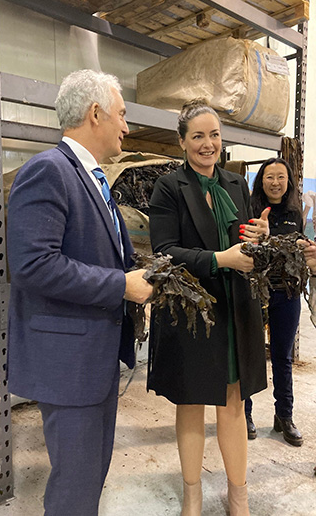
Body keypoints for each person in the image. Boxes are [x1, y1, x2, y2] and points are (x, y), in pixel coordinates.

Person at [6, 69, 153, 516]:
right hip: (69, 365)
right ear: (95, 114)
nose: (127, 127)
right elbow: (33, 265)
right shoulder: (48, 171)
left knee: (89, 476)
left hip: (93, 357)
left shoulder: (93, 178)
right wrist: (120, 285)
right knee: (75, 485)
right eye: (122, 114)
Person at [148, 99, 269, 516]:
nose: (208, 144)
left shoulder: (236, 185)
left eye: (214, 135)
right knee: (192, 401)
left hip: (235, 308)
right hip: (193, 312)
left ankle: (239, 496)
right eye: (198, 136)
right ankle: (192, 494)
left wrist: (259, 235)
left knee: (233, 402)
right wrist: (221, 259)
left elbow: (247, 243)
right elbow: (165, 252)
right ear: (182, 142)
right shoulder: (169, 187)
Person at [245, 158, 303, 447]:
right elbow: (246, 247)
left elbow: (297, 247)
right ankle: (245, 415)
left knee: (283, 357)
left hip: (287, 293)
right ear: (261, 181)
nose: (276, 182)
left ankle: (284, 416)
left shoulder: (294, 211)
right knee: (251, 354)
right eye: (270, 177)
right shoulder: (251, 209)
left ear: (288, 181)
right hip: (256, 291)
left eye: (281, 177)